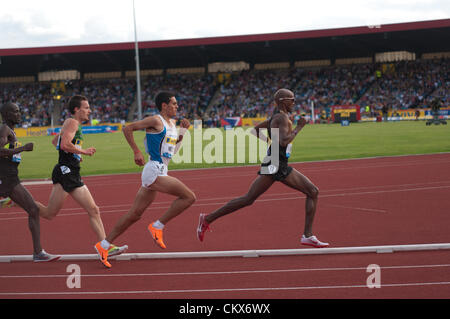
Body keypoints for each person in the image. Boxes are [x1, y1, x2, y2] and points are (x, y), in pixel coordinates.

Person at [197, 88, 329, 248]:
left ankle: (208, 218)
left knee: (248, 199)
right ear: (282, 101)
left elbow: (255, 130)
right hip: (276, 162)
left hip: (275, 160)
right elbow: (283, 142)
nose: (294, 102)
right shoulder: (281, 117)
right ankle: (307, 235)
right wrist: (299, 127)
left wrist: (269, 142)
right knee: (312, 191)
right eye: (291, 99)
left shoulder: (278, 116)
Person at [94, 91, 196, 268]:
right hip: (154, 170)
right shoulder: (156, 120)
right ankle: (157, 226)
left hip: (161, 169)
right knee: (189, 197)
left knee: (135, 214)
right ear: (164, 105)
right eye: (174, 103)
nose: (177, 106)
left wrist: (183, 132)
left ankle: (103, 245)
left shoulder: (172, 124)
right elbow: (127, 128)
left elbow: (172, 152)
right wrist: (136, 151)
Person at [36, 95, 127, 261]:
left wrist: (75, 154)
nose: (90, 110)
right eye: (86, 107)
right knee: (93, 210)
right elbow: (63, 144)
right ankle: (104, 246)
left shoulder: (72, 124)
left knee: (49, 213)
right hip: (68, 172)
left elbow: (56, 141)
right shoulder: (73, 122)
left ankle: (21, 201)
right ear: (77, 110)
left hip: (65, 170)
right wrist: (82, 152)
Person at [0, 102, 59, 261]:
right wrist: (23, 148)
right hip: (5, 178)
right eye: (15, 112)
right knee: (33, 209)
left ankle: (38, 253)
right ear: (6, 114)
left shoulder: (10, 130)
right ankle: (38, 253)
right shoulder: (4, 129)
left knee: (33, 209)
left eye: (19, 111)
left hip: (10, 176)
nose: (19, 114)